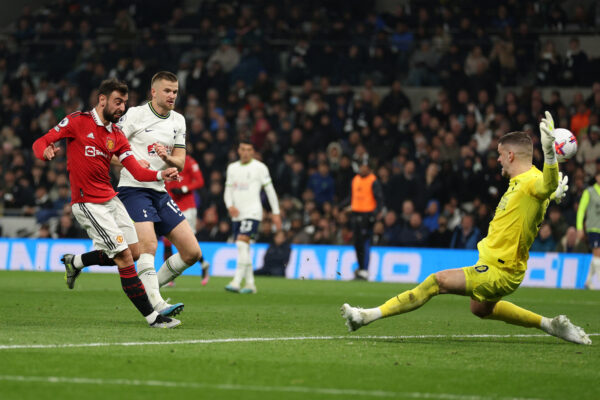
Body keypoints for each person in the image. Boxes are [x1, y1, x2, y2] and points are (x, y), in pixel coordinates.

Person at [341, 112, 592, 345]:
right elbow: (543, 192)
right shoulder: (528, 181)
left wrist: (550, 157)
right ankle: (550, 325)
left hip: (500, 271)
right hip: (497, 265)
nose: (498, 159)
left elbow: (545, 186)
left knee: (436, 281)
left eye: (500, 154)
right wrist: (551, 192)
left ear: (511, 156)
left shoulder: (532, 181)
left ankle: (365, 316)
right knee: (480, 309)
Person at [32, 78, 180, 328]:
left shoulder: (117, 135)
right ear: (102, 100)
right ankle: (153, 317)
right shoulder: (77, 121)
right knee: (123, 257)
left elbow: (136, 170)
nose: (122, 108)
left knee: (133, 253)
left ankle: (75, 262)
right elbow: (41, 141)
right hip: (88, 203)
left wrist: (160, 174)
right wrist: (45, 152)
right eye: (117, 102)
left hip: (111, 199)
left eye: (124, 103)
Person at [67, 71, 203, 317]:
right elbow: (109, 151)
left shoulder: (178, 120)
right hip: (133, 189)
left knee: (192, 252)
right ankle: (156, 303)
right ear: (153, 92)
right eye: (167, 91)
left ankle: (150, 289)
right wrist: (135, 163)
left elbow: (180, 162)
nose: (172, 95)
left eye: (175, 91)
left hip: (160, 191)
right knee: (148, 245)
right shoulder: (134, 116)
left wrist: (167, 159)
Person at [224, 139, 281, 294]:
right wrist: (230, 205)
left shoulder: (260, 168)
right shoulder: (232, 168)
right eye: (243, 149)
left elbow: (270, 190)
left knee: (242, 244)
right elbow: (228, 190)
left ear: (253, 152)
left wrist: (276, 212)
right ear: (238, 151)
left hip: (253, 212)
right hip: (237, 215)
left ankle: (236, 281)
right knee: (244, 248)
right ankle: (250, 284)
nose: (246, 152)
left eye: (249, 149)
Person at [164, 153, 211, 286]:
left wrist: (184, 189)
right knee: (167, 241)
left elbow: (200, 181)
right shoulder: (164, 161)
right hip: (170, 206)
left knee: (188, 241)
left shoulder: (189, 161)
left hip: (187, 207)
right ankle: (170, 278)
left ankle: (203, 264)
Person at [346, 160, 384, 280]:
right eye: (361, 166)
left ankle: (365, 270)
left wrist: (376, 214)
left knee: (365, 242)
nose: (362, 169)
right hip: (355, 213)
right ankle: (361, 267)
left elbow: (380, 199)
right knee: (357, 242)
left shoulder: (373, 180)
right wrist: (341, 206)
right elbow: (351, 197)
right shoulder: (355, 179)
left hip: (367, 215)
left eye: (364, 167)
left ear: (369, 168)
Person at [576, 171, 600, 289]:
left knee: (596, 257)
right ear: (596, 177)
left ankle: (588, 281)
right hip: (594, 227)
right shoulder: (589, 192)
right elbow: (581, 210)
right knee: (597, 254)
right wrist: (580, 227)